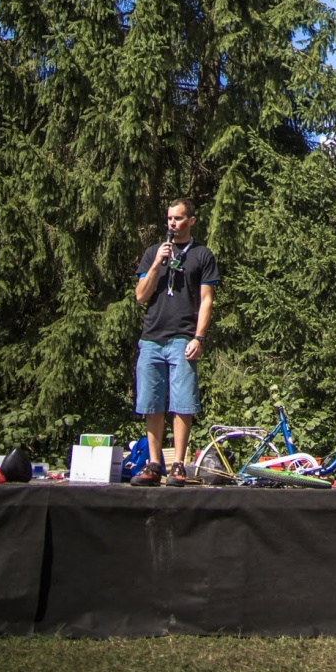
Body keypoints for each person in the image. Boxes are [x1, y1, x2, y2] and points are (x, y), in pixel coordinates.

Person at [132, 198, 219, 486]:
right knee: (151, 403)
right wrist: (158, 261)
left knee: (182, 404)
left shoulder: (202, 255)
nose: (173, 223)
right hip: (152, 338)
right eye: (169, 218)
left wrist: (199, 337)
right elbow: (141, 295)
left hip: (183, 338)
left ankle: (178, 464)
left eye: (179, 218)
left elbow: (206, 300)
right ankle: (155, 463)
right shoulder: (152, 253)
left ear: (191, 221)